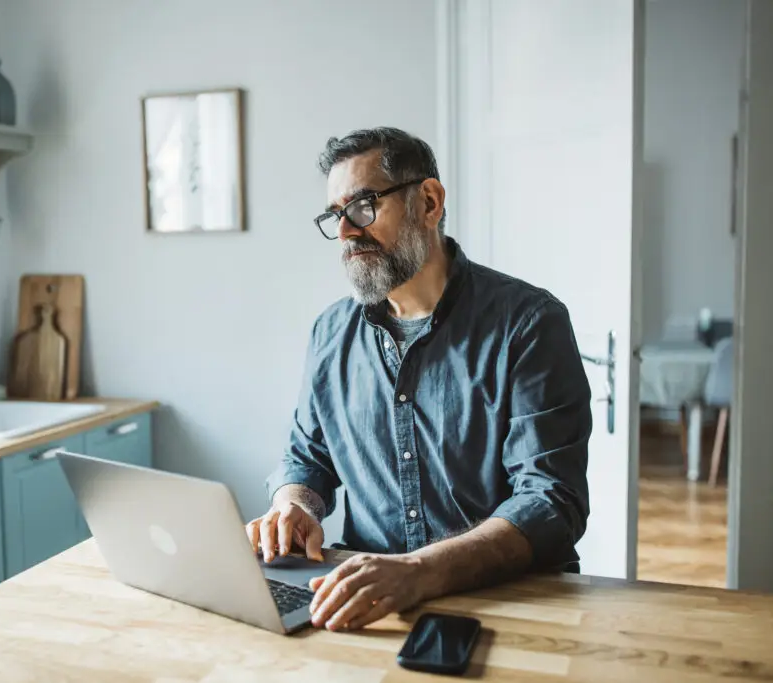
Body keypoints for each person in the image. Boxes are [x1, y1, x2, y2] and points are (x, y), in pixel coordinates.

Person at [245, 127, 592, 632]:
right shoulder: (329, 332)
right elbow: (307, 459)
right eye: (334, 215)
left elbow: (550, 500)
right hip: (368, 604)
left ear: (428, 202)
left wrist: (417, 571)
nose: (345, 231)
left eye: (362, 206)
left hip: (513, 606)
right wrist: (295, 506)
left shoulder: (529, 322)